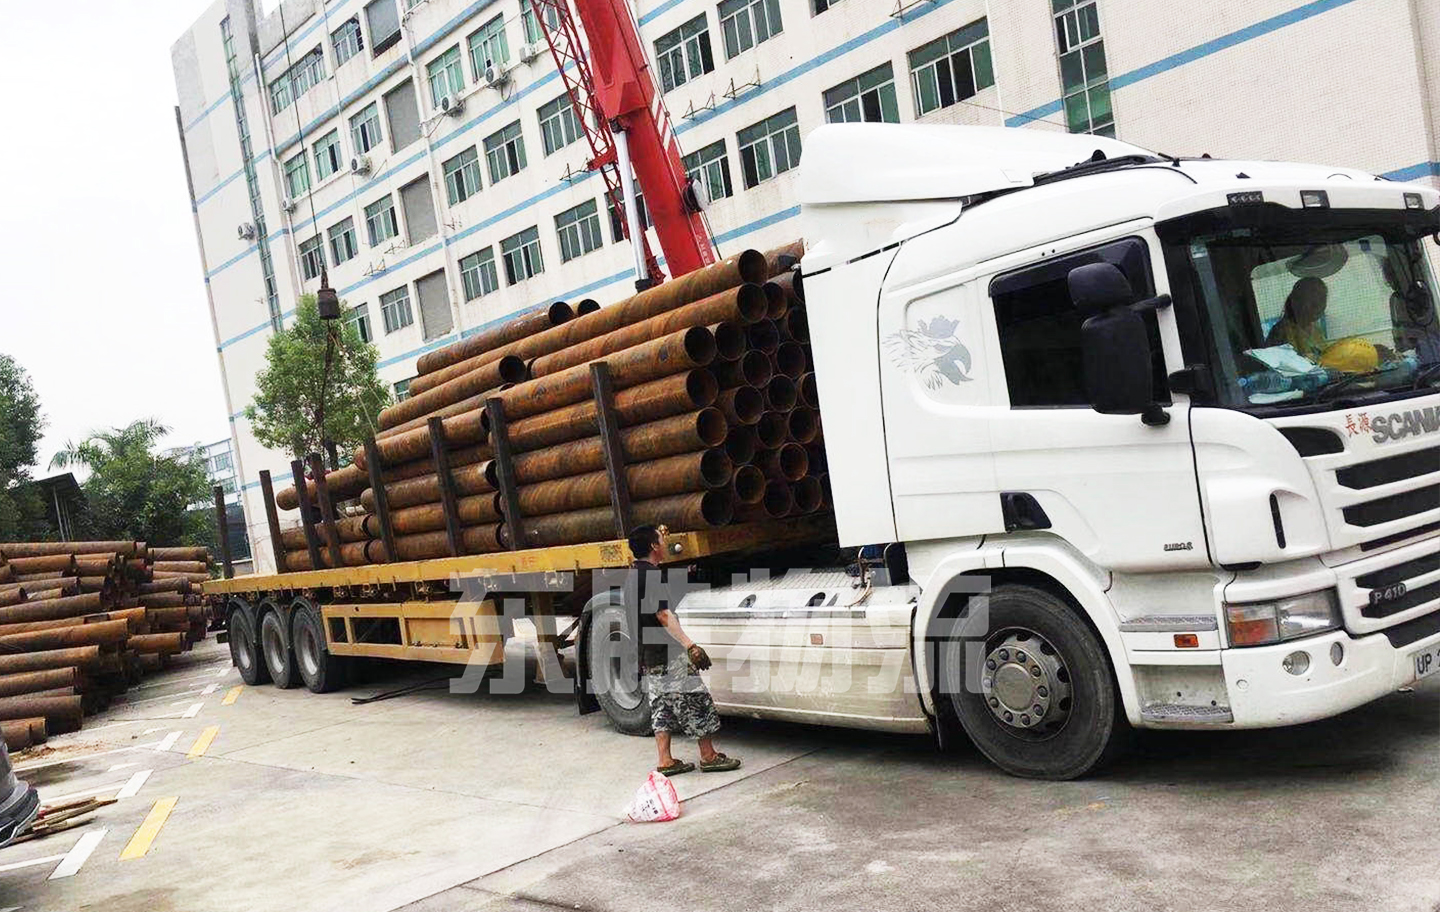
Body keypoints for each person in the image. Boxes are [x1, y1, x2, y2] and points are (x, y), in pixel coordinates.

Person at [628, 524, 741, 775]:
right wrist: (690, 645)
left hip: (650, 655)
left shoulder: (632, 575)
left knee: (662, 705)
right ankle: (709, 756)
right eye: (661, 540)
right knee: (696, 700)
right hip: (668, 653)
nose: (665, 543)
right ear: (653, 546)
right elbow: (662, 614)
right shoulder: (651, 576)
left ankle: (665, 760)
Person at [1265, 276, 1329, 359]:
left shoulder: (1315, 329)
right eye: (1313, 300)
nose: (1319, 305)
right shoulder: (1281, 332)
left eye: (1322, 299)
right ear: (1298, 302)